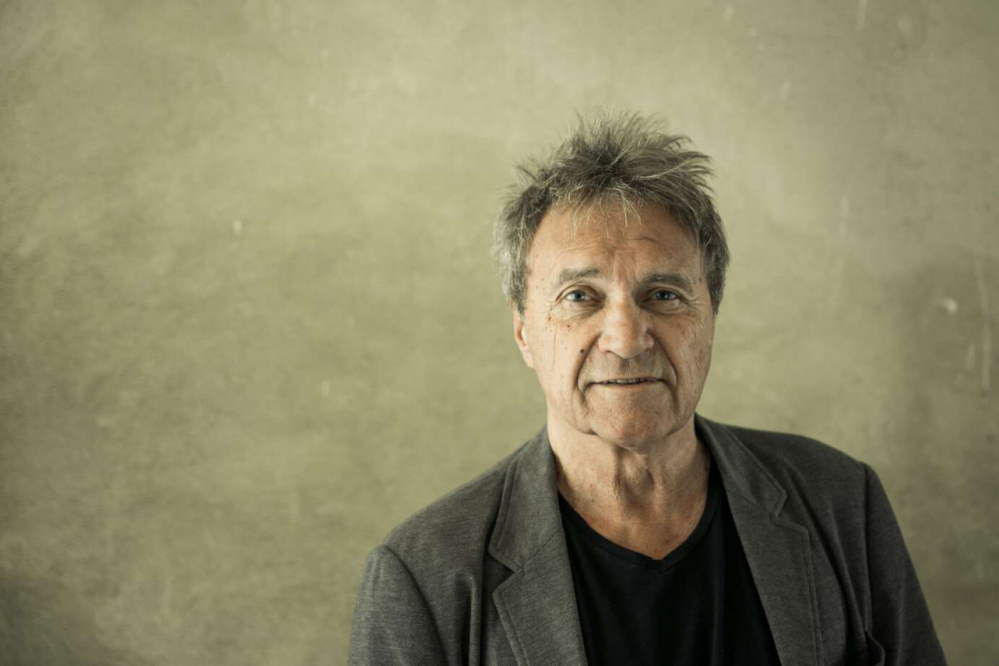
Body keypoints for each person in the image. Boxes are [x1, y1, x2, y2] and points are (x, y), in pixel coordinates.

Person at [348, 113, 947, 665]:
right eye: (580, 297)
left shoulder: (843, 504)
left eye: (663, 294)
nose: (627, 339)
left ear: (711, 314)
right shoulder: (424, 576)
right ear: (524, 331)